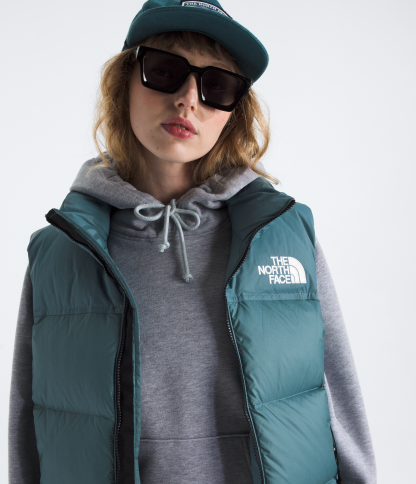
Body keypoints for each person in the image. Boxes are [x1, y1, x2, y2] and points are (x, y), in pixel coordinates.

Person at [8, 1, 377, 483]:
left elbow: (338, 403)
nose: (188, 100)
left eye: (216, 86)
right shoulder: (64, 250)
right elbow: (29, 425)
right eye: (165, 71)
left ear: (232, 113)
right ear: (125, 83)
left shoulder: (280, 234)